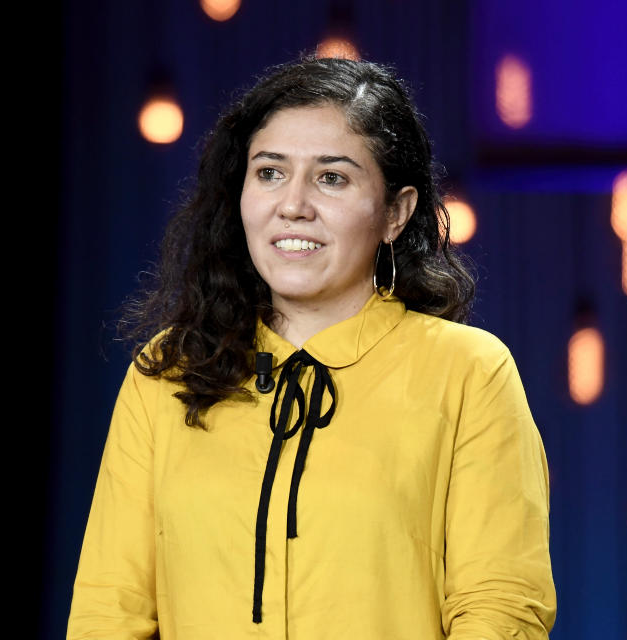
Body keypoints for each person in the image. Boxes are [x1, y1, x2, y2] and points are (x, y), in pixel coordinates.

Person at [67, 57, 556, 639]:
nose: (292, 203)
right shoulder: (167, 371)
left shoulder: (469, 372)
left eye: (332, 178)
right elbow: (108, 611)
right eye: (269, 172)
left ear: (395, 214)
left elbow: (502, 607)